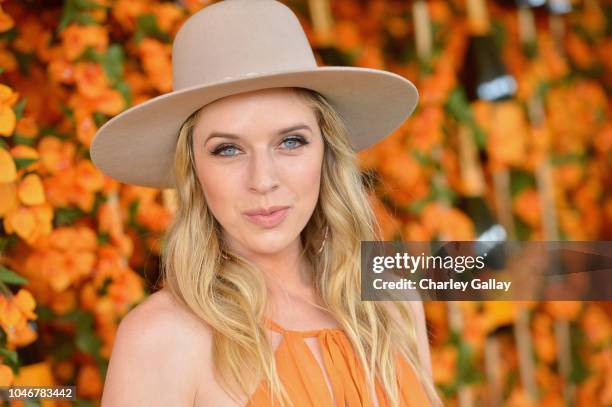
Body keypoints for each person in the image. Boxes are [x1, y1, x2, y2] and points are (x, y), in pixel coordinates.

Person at [90, 1, 441, 406]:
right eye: (227, 150)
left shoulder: (392, 306)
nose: (263, 180)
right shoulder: (163, 336)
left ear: (326, 152)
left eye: (290, 142)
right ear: (194, 172)